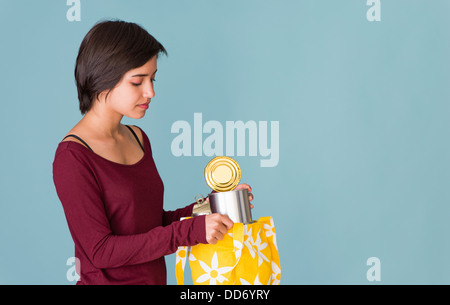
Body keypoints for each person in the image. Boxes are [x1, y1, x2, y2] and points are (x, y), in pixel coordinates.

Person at [52, 20, 254, 285]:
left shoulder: (138, 138)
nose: (151, 92)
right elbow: (101, 251)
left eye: (152, 78)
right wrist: (189, 232)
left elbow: (150, 225)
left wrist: (211, 206)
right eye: (137, 82)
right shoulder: (72, 157)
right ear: (102, 79)